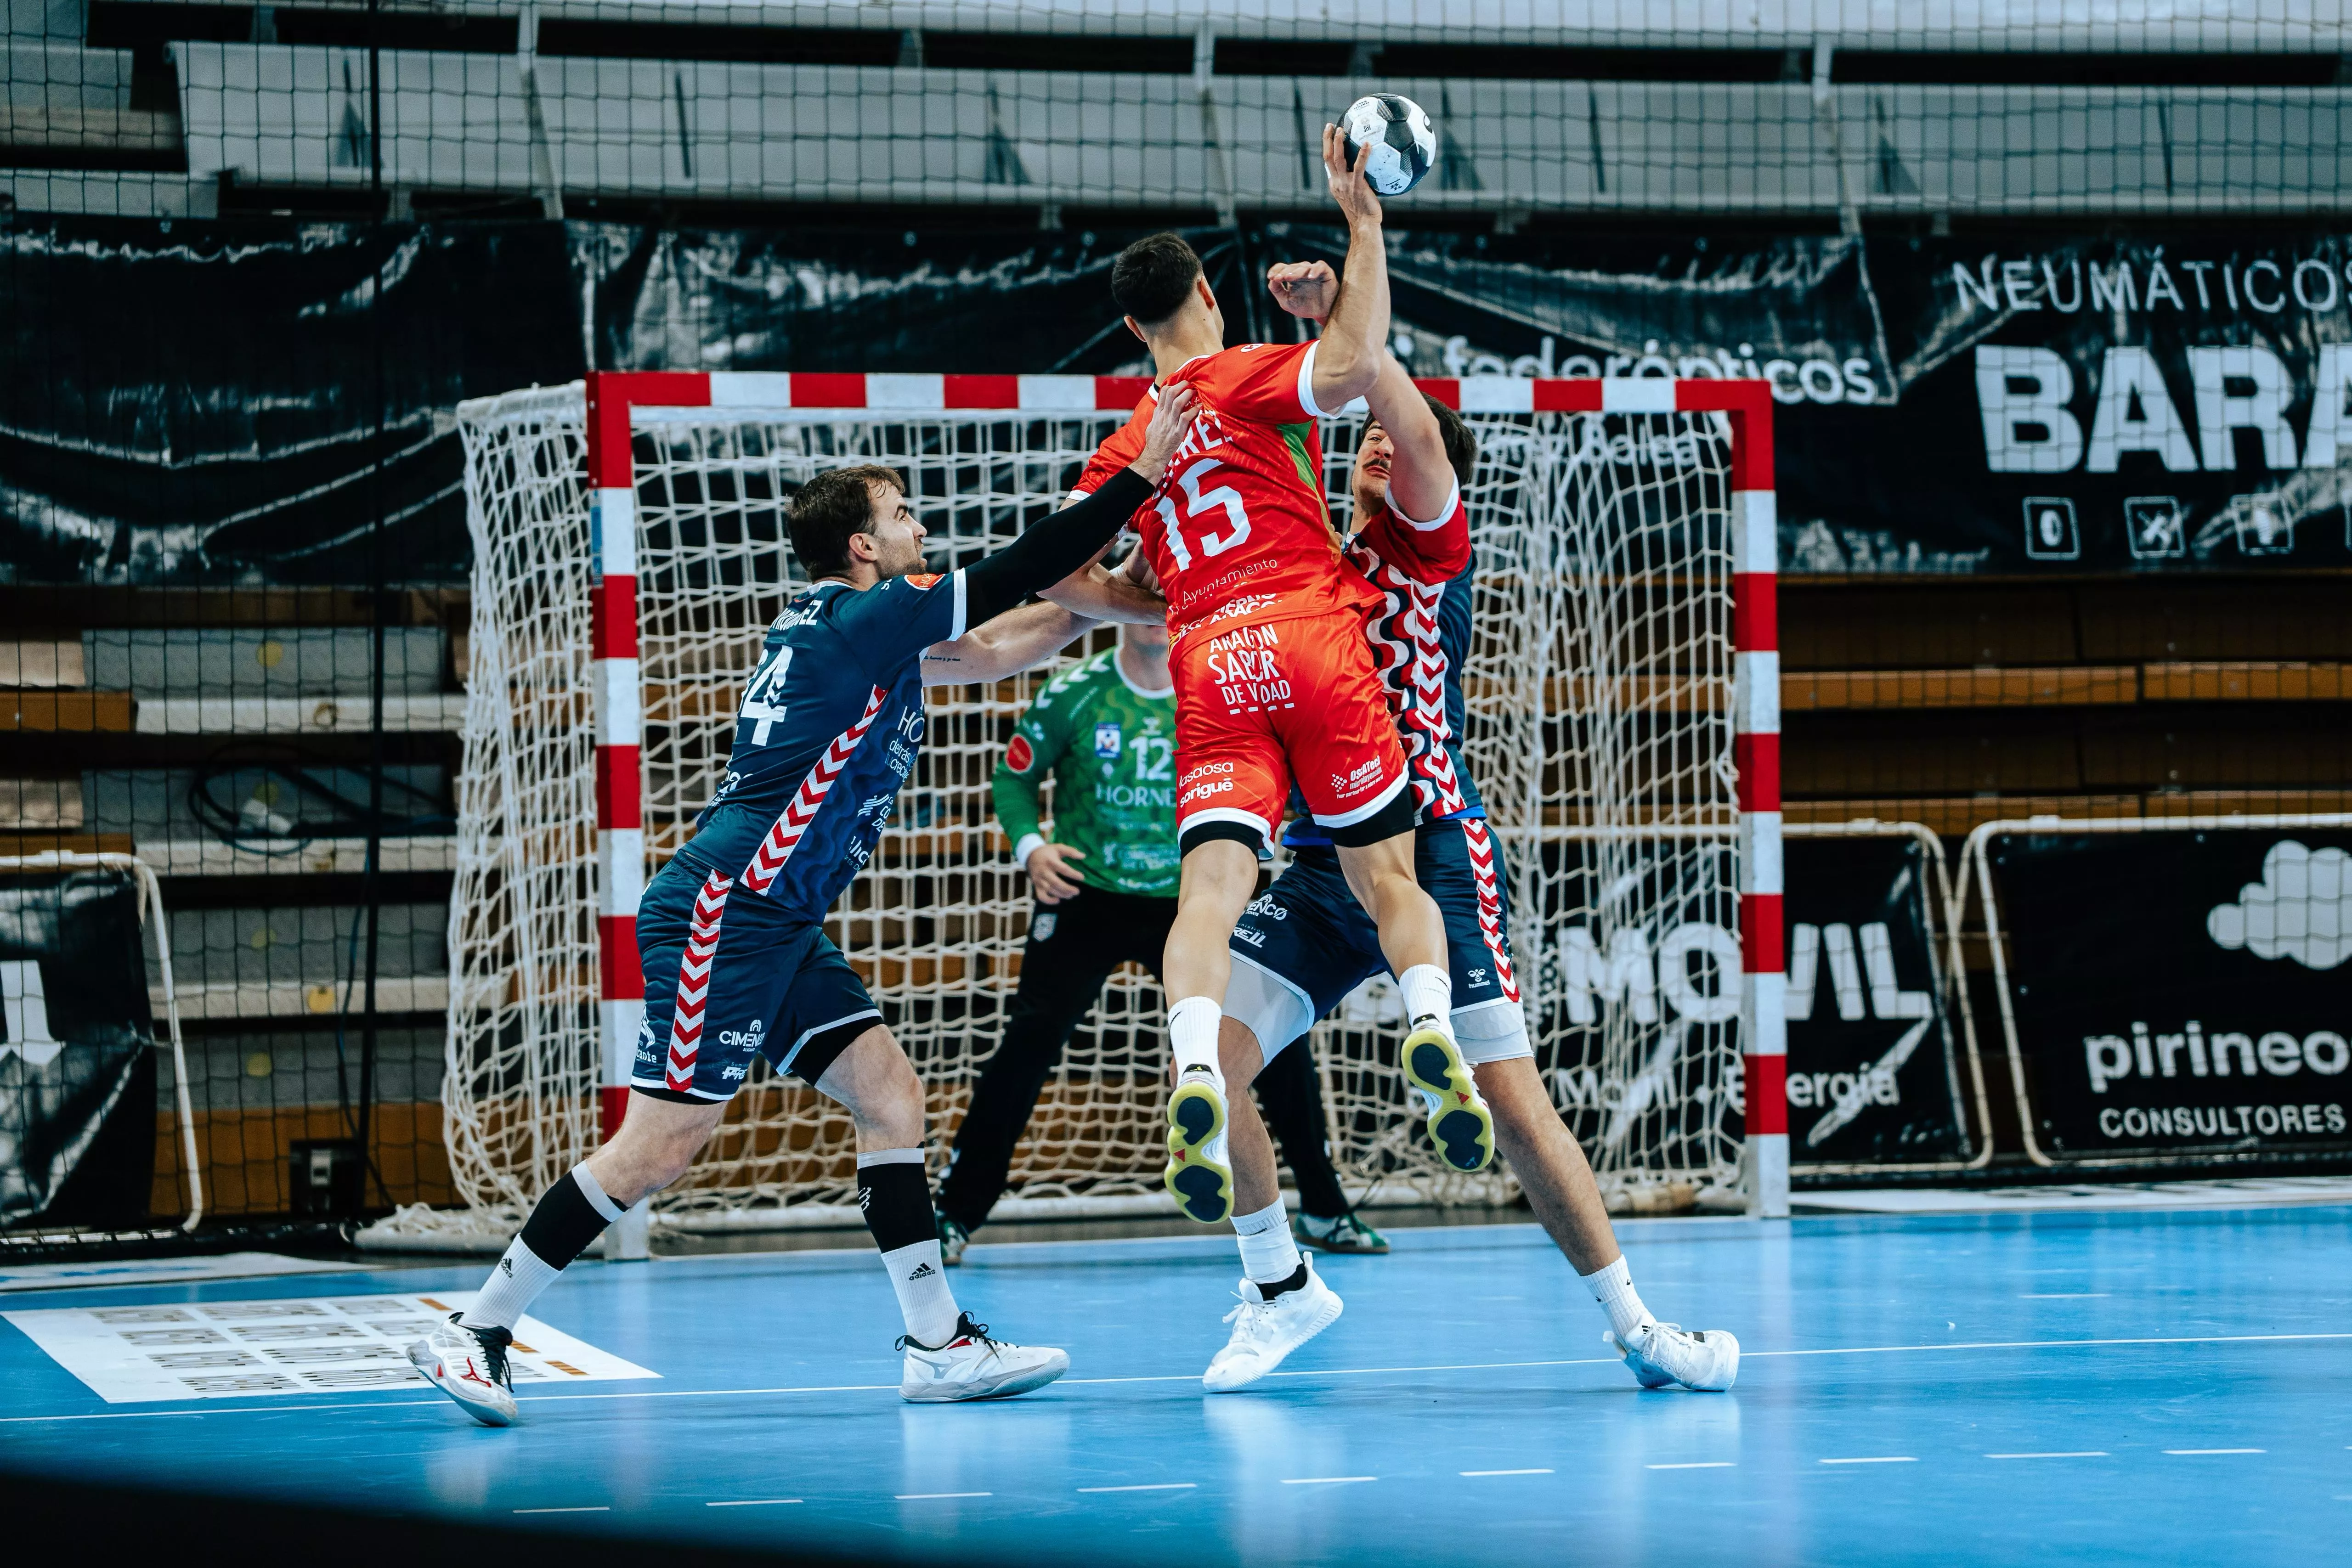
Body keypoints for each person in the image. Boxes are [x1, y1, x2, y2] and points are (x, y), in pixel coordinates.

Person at [406, 384, 1201, 1427]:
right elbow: (1018, 571)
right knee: (658, 1149)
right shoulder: (876, 618)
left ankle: (936, 1345)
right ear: (865, 550)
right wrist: (1140, 478)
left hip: (776, 922)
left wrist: (1142, 597)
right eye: (903, 514)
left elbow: (1017, 639)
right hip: (724, 912)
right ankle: (481, 1332)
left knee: (891, 1099)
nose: (920, 525)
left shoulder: (858, 630)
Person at [1190, 262, 1742, 1395]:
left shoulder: (1428, 546)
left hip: (1431, 845)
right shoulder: (1295, 567)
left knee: (1510, 1095)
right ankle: (1281, 1288)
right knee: (1205, 1068)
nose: (1376, 452)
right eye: (1366, 445)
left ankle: (1639, 1327)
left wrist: (1342, 316)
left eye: (1392, 442)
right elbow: (1159, 592)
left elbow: (1386, 409)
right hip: (1317, 865)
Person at [1070, 133, 1496, 1365]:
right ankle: (1427, 1022)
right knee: (1393, 880)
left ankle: (1196, 1064)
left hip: (1212, 657)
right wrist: (1361, 224)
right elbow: (1359, 367)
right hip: (1312, 642)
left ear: (1132, 324)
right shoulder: (1245, 378)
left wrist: (1092, 601)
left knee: (1203, 895)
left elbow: (1073, 577)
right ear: (1208, 291)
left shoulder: (1131, 445)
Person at [934, 615, 1388, 1261]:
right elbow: (1014, 777)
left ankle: (1323, 1207)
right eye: (1138, 598)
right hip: (1089, 895)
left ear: (1183, 608)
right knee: (1026, 1049)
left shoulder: (1221, 690)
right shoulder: (1076, 692)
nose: (1152, 613)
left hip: (1199, 898)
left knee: (1279, 1046)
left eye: (1163, 601)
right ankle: (955, 1213)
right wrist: (1031, 846)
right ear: (1117, 606)